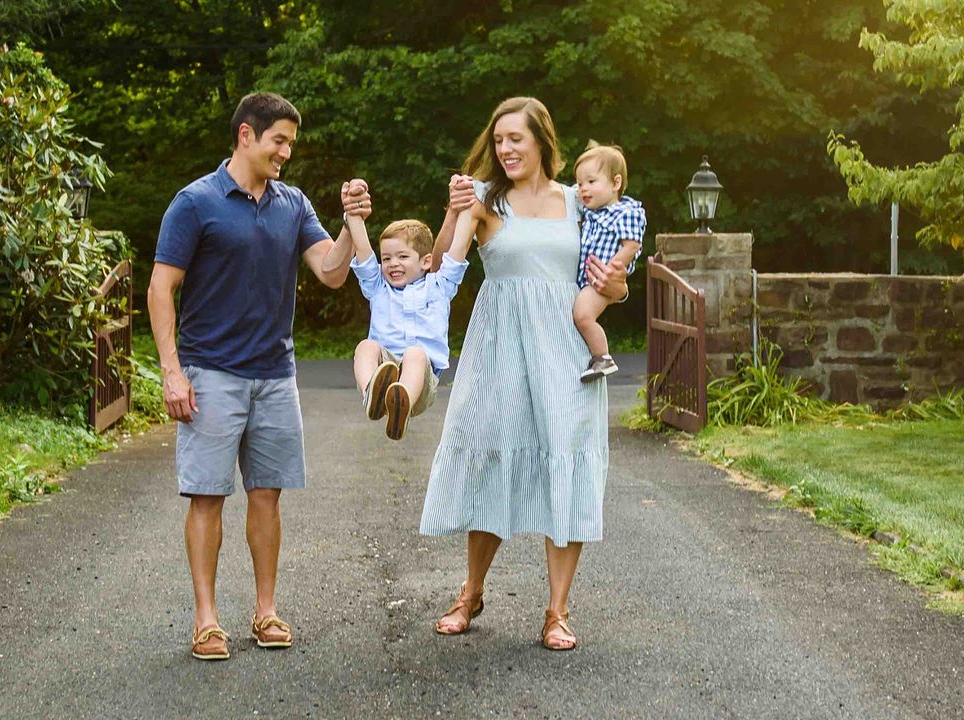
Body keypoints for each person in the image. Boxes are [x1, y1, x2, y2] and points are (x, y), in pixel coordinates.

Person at [147, 92, 371, 661]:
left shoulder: (292, 204)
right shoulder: (195, 203)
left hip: (275, 374)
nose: (287, 152)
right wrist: (172, 373)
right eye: (280, 140)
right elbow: (160, 289)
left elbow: (330, 272)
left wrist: (350, 225)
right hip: (211, 372)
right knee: (206, 498)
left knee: (266, 497)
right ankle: (206, 620)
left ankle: (266, 611)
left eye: (291, 143)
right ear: (246, 135)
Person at [419, 97, 628, 651]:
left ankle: (557, 611)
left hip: (565, 347)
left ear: (541, 141)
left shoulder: (577, 201)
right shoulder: (485, 200)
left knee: (566, 459)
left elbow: (615, 282)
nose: (505, 149)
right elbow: (438, 268)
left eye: (516, 138)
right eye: (499, 140)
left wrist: (615, 281)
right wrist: (450, 211)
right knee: (492, 457)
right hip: (501, 349)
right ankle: (471, 592)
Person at [346, 198, 470, 440]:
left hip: (421, 380)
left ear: (425, 261)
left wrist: (465, 206)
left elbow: (458, 249)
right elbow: (362, 250)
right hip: (386, 367)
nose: (393, 264)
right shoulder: (378, 287)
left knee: (415, 353)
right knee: (365, 346)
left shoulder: (440, 286)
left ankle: (400, 401)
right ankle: (373, 393)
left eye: (402, 257)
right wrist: (352, 211)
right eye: (387, 258)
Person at [571, 141, 646, 381]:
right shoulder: (591, 210)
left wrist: (612, 270)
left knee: (583, 316)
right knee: (579, 315)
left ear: (615, 183)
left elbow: (632, 245)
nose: (583, 189)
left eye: (591, 182)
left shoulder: (626, 212)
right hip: (588, 278)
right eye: (580, 183)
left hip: (601, 278)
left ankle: (602, 357)